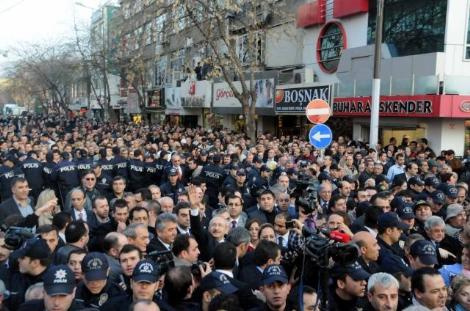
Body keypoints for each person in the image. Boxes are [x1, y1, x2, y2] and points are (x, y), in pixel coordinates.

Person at [17, 265, 85, 311]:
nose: (56, 303)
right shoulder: (27, 309)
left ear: (74, 293)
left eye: (63, 296)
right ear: (43, 292)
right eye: (52, 295)